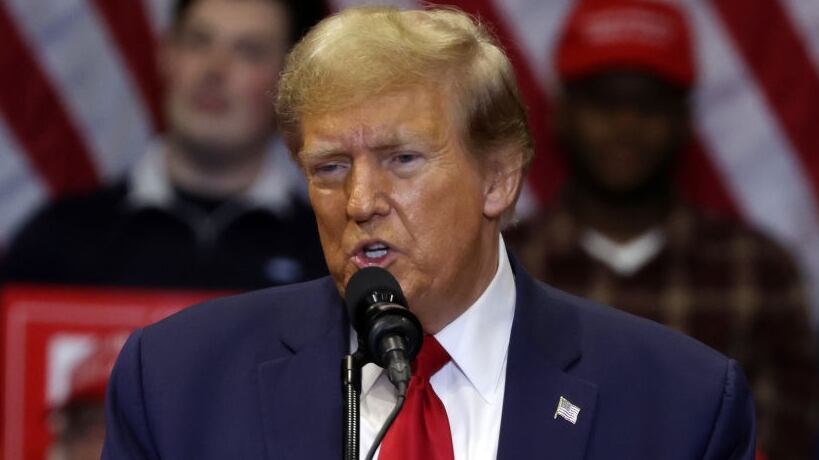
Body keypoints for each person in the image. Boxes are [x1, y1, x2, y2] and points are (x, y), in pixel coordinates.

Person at [103, 5, 755, 459]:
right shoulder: (176, 383)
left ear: (498, 179)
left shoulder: (680, 406)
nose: (358, 201)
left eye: (401, 160)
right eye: (329, 168)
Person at [505, 1, 817, 458]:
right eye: (604, 102)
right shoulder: (503, 265)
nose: (627, 126)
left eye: (649, 104)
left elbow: (776, 442)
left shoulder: (758, 271)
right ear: (563, 113)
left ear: (685, 119)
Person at [0, 0, 328, 290]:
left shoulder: (326, 255)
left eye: (248, 51)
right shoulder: (60, 238)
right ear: (167, 56)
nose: (214, 70)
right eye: (198, 42)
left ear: (290, 84)